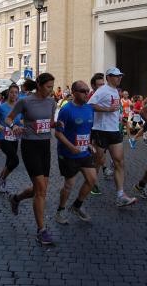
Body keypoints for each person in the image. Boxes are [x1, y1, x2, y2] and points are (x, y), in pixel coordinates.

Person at [5, 73, 57, 245]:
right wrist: (15, 126)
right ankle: (41, 230)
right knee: (41, 189)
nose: (51, 90)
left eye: (52, 86)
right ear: (39, 85)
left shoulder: (52, 102)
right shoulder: (25, 101)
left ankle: (16, 198)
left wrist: (57, 124)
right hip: (30, 146)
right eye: (48, 86)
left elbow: (49, 123)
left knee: (38, 189)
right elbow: (9, 118)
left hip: (45, 146)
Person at [88, 67, 136, 207]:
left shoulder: (116, 91)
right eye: (116, 76)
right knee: (98, 160)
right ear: (108, 77)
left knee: (119, 162)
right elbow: (90, 105)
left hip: (114, 131)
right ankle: (91, 183)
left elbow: (115, 109)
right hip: (101, 130)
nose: (119, 78)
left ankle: (120, 195)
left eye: (120, 76)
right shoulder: (102, 90)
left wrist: (118, 118)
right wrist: (107, 109)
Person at [54, 80, 97, 224]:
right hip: (68, 154)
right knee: (69, 185)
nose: (87, 93)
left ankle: (77, 206)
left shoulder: (89, 109)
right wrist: (71, 147)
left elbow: (87, 130)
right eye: (83, 91)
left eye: (87, 91)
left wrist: (90, 144)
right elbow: (58, 134)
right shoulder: (66, 110)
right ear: (74, 93)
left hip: (84, 153)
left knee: (92, 180)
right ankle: (60, 210)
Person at [0, 84, 22, 193]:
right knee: (15, 160)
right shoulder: (2, 107)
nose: (14, 94)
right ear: (8, 93)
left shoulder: (19, 108)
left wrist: (21, 127)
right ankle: (2, 180)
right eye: (12, 92)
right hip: (3, 138)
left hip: (14, 138)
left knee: (8, 162)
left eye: (16, 92)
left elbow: (21, 121)